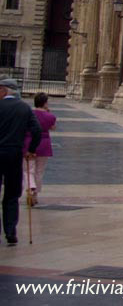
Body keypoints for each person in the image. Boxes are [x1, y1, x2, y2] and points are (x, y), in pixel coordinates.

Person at [0, 78, 41, 246]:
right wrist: (31, 149)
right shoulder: (24, 108)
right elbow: (36, 130)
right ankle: (10, 232)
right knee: (11, 194)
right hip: (14, 153)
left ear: (4, 90)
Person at [23, 92, 56, 205]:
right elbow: (53, 128)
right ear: (45, 103)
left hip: (29, 142)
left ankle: (30, 187)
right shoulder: (50, 116)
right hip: (44, 144)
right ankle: (35, 194)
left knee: (28, 169)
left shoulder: (29, 114)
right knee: (39, 171)